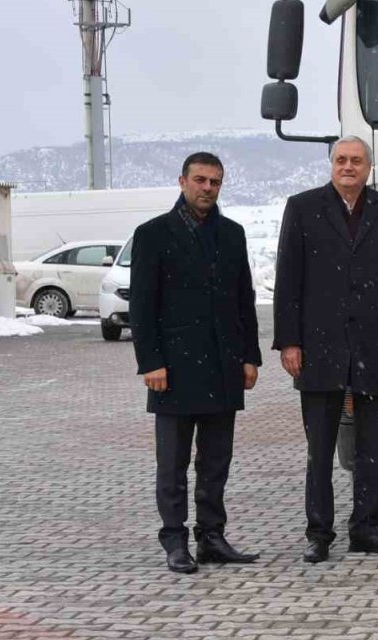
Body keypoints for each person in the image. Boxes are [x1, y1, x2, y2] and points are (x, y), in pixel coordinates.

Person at [273, 135, 378, 563]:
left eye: (356, 160)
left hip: (375, 350)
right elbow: (288, 280)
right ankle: (319, 533)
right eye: (341, 160)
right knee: (320, 450)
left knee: (373, 448)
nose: (348, 166)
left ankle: (366, 528)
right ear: (331, 165)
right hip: (318, 349)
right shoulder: (302, 208)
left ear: (368, 168)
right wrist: (289, 341)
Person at [129, 152, 262, 574]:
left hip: (223, 367)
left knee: (215, 462)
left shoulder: (232, 234)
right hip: (172, 370)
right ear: (182, 181)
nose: (208, 188)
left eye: (215, 182)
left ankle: (211, 537)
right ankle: (174, 540)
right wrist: (150, 362)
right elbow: (142, 307)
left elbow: (245, 299)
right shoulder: (152, 235)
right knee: (173, 464)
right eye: (200, 180)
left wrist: (250, 357)